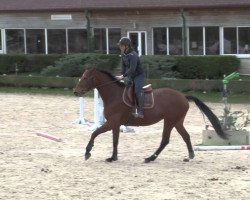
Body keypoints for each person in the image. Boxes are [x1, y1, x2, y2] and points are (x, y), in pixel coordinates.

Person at [116, 37, 145, 118]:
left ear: (126, 46)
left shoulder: (133, 55)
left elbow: (132, 69)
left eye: (121, 46)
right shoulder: (123, 55)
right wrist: (121, 76)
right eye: (120, 46)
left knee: (137, 91)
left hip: (139, 75)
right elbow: (123, 68)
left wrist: (123, 76)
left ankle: (141, 111)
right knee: (124, 90)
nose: (120, 47)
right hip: (130, 76)